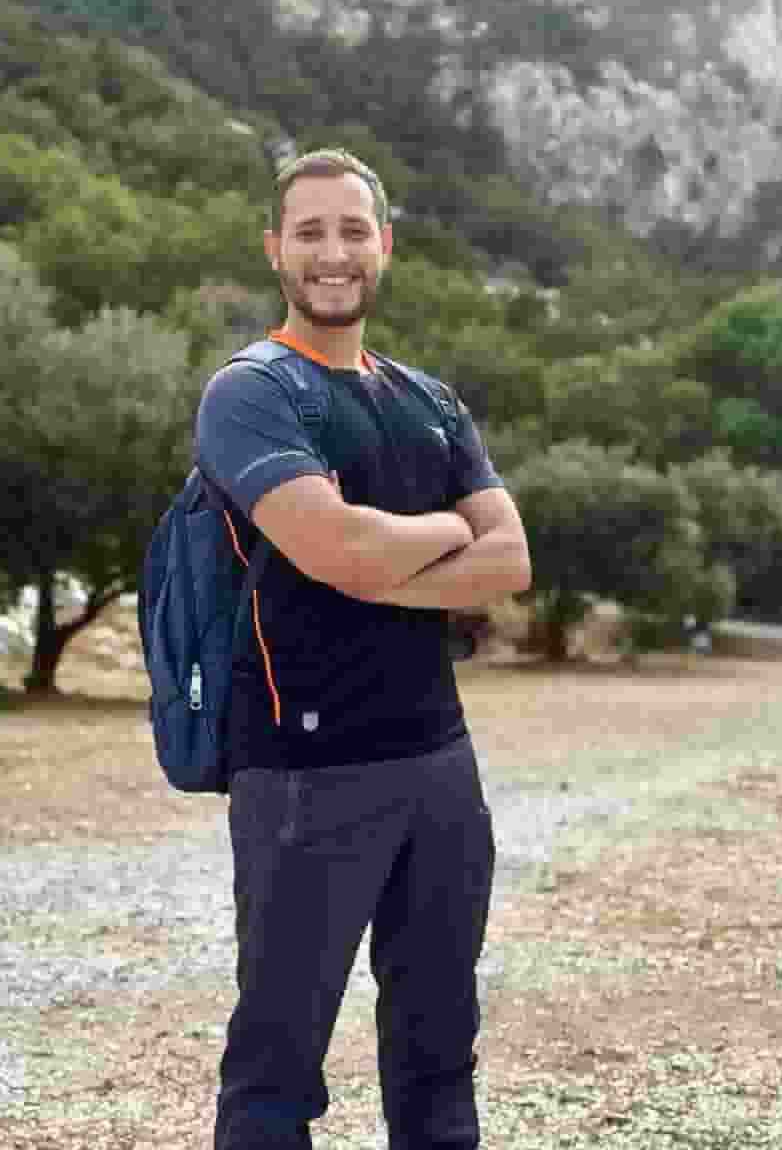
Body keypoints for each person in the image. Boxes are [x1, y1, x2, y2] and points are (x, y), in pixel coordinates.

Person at [195, 148, 532, 1150]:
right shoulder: (251, 393)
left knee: (440, 1062)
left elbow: (510, 560)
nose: (333, 252)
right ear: (274, 249)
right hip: (303, 773)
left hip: (440, 764)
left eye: (353, 230)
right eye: (310, 232)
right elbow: (338, 549)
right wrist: (444, 529)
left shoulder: (431, 400)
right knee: (276, 1077)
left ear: (384, 245)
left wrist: (380, 555)